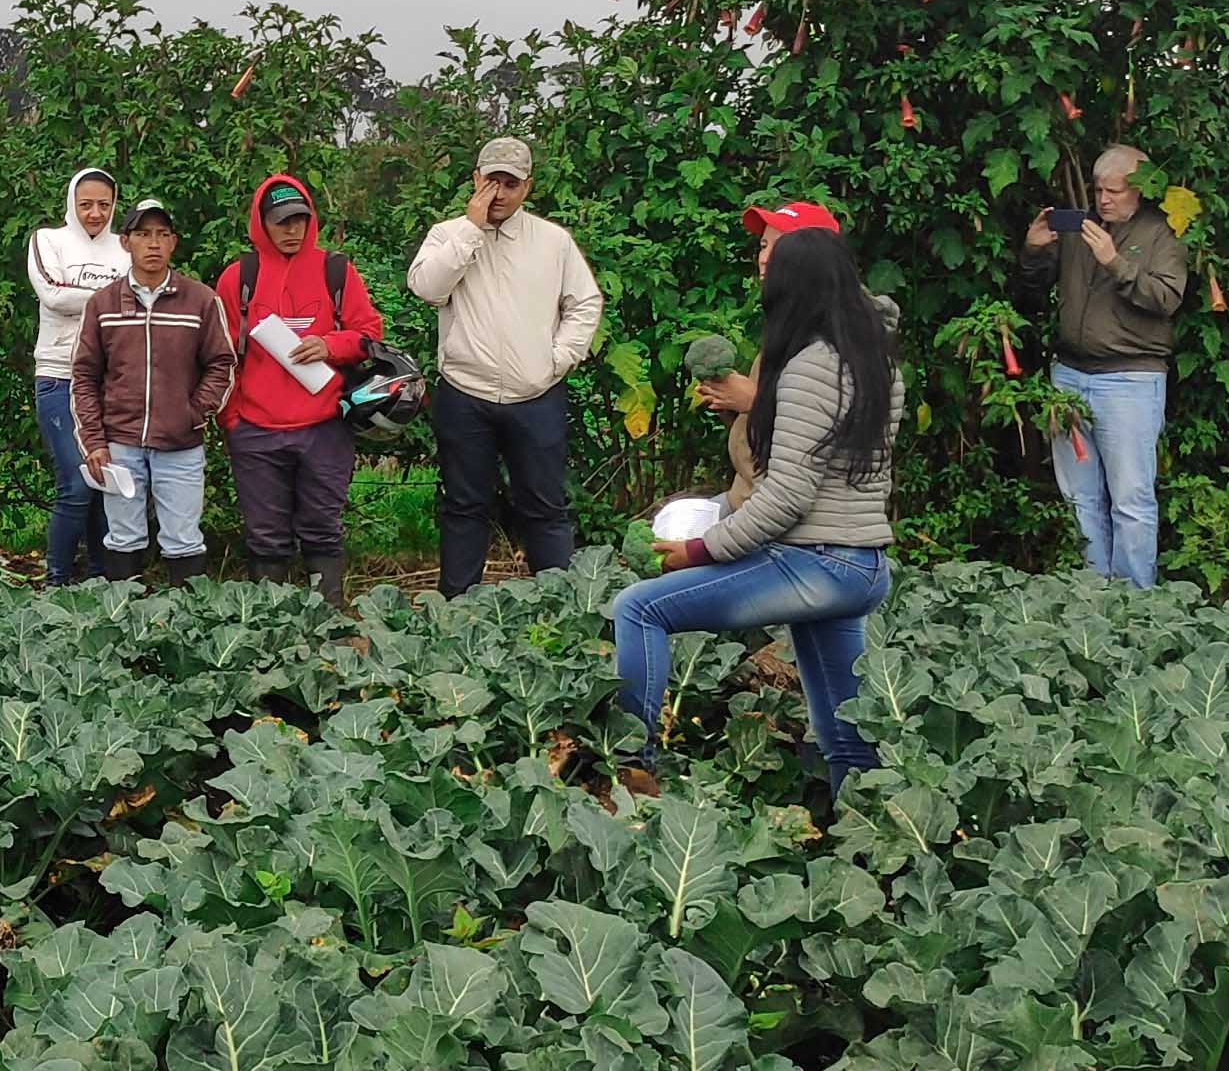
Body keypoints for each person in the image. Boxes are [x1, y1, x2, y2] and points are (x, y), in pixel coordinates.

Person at [610, 218, 902, 785]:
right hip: (861, 564)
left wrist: (698, 551)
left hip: (817, 562)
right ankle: (869, 841)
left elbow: (787, 498)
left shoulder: (811, 365)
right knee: (843, 732)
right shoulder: (876, 359)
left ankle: (629, 767)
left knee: (639, 608)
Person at [406, 136, 604, 595]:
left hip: (536, 396)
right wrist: (470, 233)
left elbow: (584, 303)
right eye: (490, 180)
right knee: (463, 506)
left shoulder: (552, 242)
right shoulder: (447, 234)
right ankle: (455, 612)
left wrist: (556, 361)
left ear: (527, 187)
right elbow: (427, 288)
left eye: (510, 184)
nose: (498, 193)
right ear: (475, 180)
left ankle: (561, 611)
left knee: (545, 508)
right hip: (464, 394)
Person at [1012, 143, 1191, 588]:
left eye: (1115, 191)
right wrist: (1034, 252)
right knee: (1079, 497)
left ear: (1140, 190)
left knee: (1130, 497)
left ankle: (1134, 600)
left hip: (1130, 378)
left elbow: (1167, 299)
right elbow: (1032, 291)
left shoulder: (1160, 234)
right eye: (1098, 190)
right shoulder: (1082, 227)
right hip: (1070, 374)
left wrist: (1115, 262)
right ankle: (1089, 595)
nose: (1104, 200)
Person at [215, 173, 382, 605]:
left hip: (323, 426)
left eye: (300, 221)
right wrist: (231, 418)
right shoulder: (239, 277)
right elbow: (221, 355)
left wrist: (329, 344)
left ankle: (327, 623)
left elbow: (368, 334)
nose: (292, 231)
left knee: (322, 529)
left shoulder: (336, 270)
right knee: (266, 537)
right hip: (255, 429)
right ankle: (272, 629)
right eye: (281, 222)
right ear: (261, 224)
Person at [70, 196, 238, 586]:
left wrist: (193, 413)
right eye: (143, 234)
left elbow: (222, 363)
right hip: (121, 445)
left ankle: (186, 630)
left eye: (163, 234)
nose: (154, 243)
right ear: (125, 242)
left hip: (181, 446)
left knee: (183, 540)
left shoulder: (200, 300)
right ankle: (126, 630)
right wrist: (94, 441)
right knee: (124, 537)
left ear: (174, 243)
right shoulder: (103, 304)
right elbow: (84, 375)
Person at [23, 167, 126, 584]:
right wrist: (113, 300)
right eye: (86, 204)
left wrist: (84, 298)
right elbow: (52, 293)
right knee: (77, 482)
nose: (95, 213)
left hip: (110, 381)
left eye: (104, 204)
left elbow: (136, 299)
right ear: (71, 203)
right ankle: (57, 579)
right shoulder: (48, 240)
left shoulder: (124, 248)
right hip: (58, 375)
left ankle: (101, 581)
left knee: (106, 486)